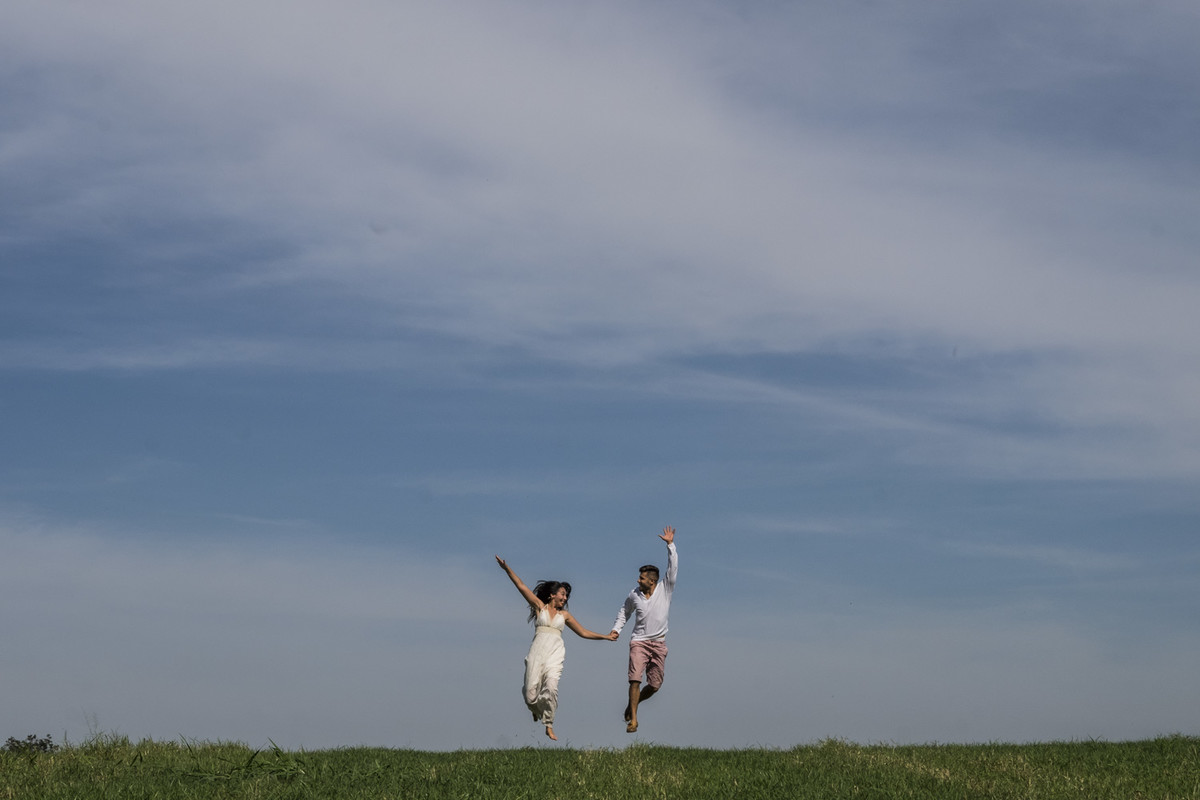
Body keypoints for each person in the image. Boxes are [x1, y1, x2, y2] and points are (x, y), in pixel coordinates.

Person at [495, 555, 613, 741]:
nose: (565, 598)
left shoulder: (564, 615)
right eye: (562, 594)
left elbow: (582, 632)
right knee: (529, 696)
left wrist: (605, 636)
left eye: (566, 596)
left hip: (555, 654)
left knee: (551, 687)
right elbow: (522, 586)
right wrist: (506, 569)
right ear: (552, 595)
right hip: (537, 652)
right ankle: (536, 711)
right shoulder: (539, 608)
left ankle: (548, 724)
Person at [610, 526, 678, 733]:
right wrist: (616, 630)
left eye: (641, 578)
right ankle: (633, 721)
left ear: (652, 581)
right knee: (634, 679)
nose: (638, 580)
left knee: (655, 685)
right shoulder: (634, 595)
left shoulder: (665, 589)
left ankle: (633, 705)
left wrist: (670, 545)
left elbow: (672, 567)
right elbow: (624, 612)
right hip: (638, 642)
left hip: (658, 643)